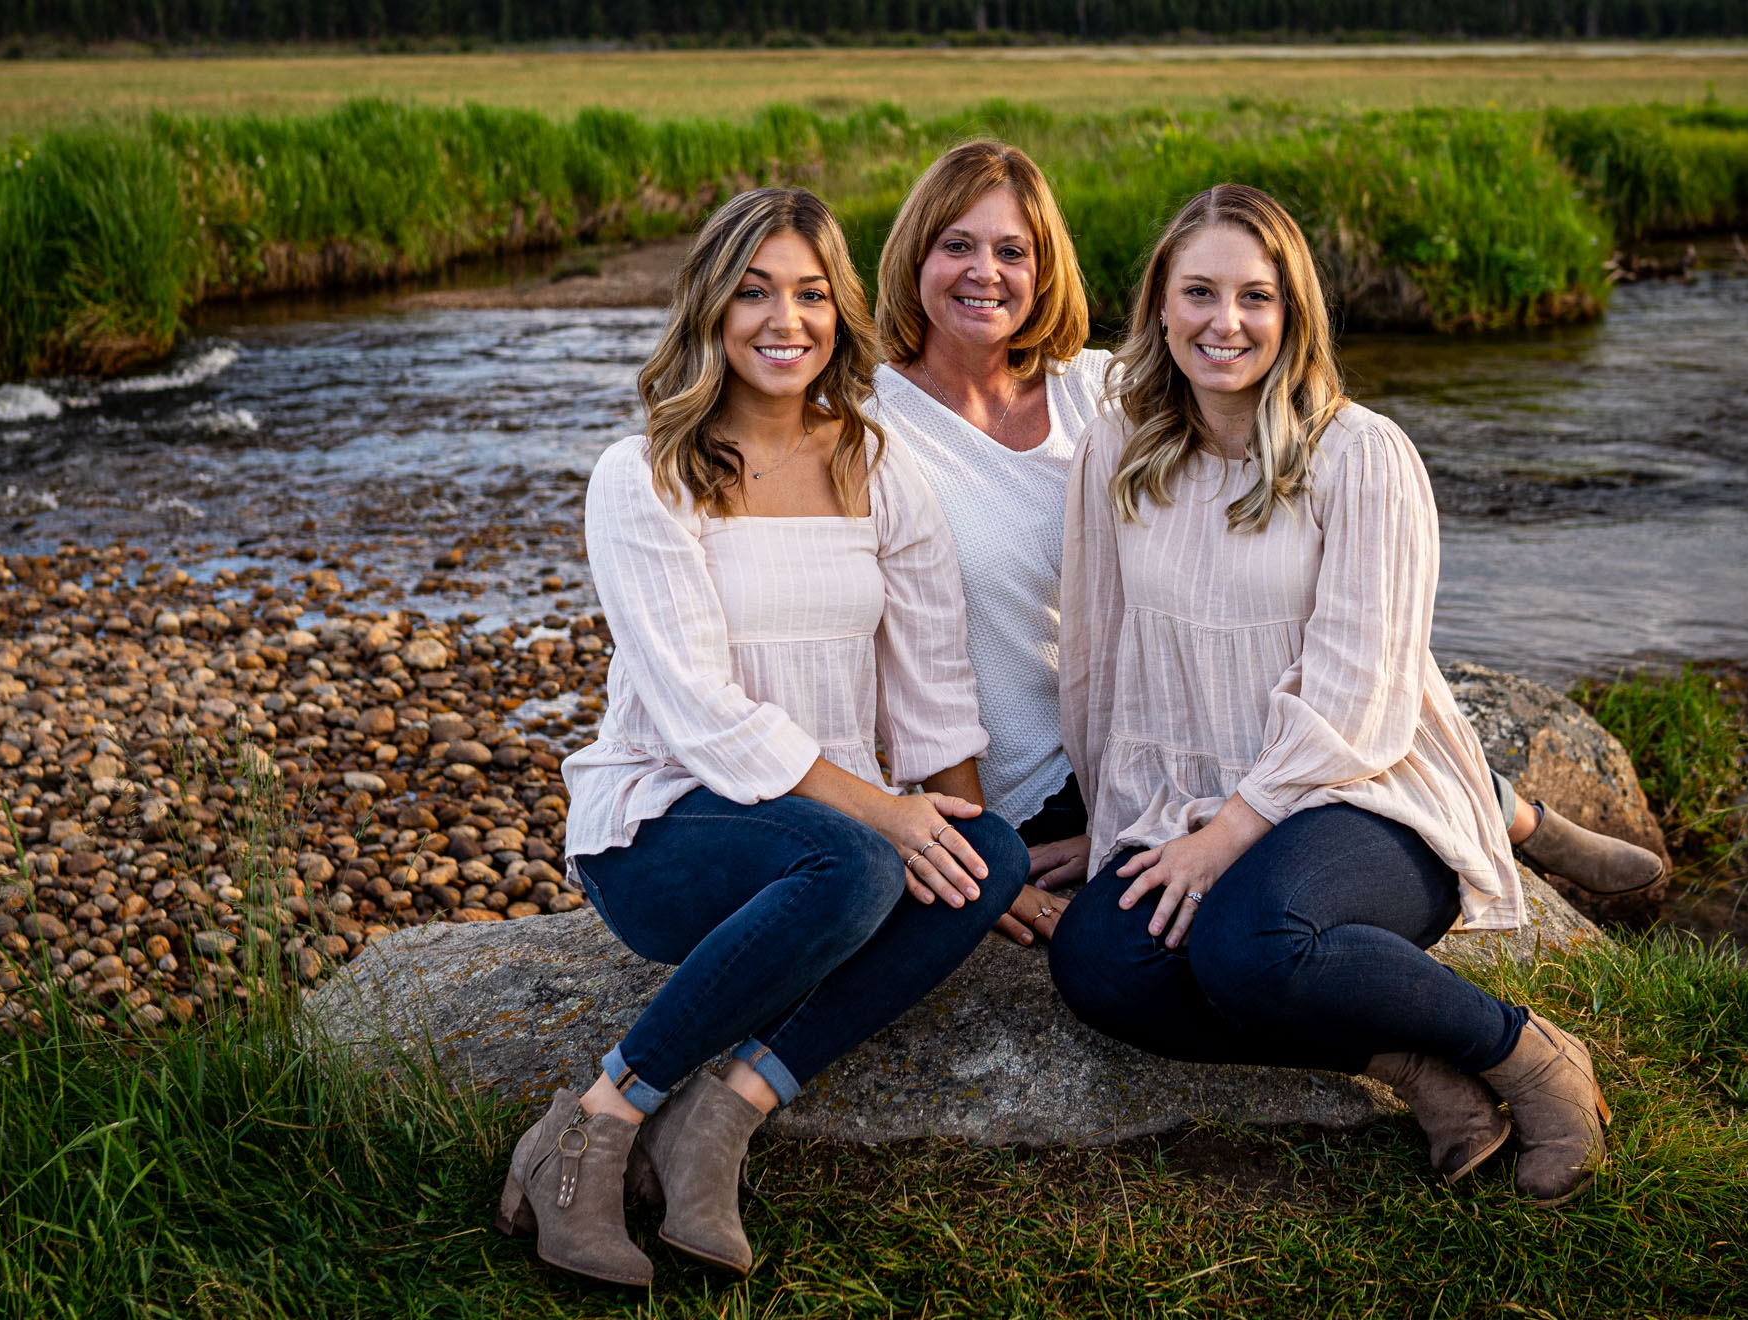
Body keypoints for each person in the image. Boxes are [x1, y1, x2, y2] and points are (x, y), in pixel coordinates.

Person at [870, 143, 1661, 954]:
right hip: (1047, 767)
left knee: (1312, 605)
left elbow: (1242, 569)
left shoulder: (1102, 390)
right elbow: (884, 650)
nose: (985, 272)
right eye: (956, 244)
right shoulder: (868, 428)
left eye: (1013, 251)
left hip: (1165, 725)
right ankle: (1500, 809)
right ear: (914, 254)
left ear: (1046, 269)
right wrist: (966, 848)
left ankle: (1500, 806)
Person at [494, 188, 1027, 1282]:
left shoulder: (882, 469)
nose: (784, 320)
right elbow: (699, 714)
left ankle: (723, 1115)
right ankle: (594, 1123)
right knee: (860, 855)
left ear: (840, 316)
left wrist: (967, 854)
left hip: (830, 844)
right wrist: (887, 813)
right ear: (710, 308)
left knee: (993, 858)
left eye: (811, 294)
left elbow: (931, 692)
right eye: (753, 292)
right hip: (666, 833)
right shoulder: (644, 474)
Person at [1048, 184, 1611, 1206]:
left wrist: (1225, 838)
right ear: (1160, 308)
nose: (1226, 322)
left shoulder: (1362, 456)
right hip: (1195, 797)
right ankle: (1411, 1067)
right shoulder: (1118, 452)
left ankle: (1529, 1053)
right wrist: (1113, 830)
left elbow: (1359, 695)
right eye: (1200, 293)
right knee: (1100, 964)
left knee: (1248, 945)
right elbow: (1101, 654)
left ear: (1292, 311)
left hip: (1366, 796)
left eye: (1255, 297)